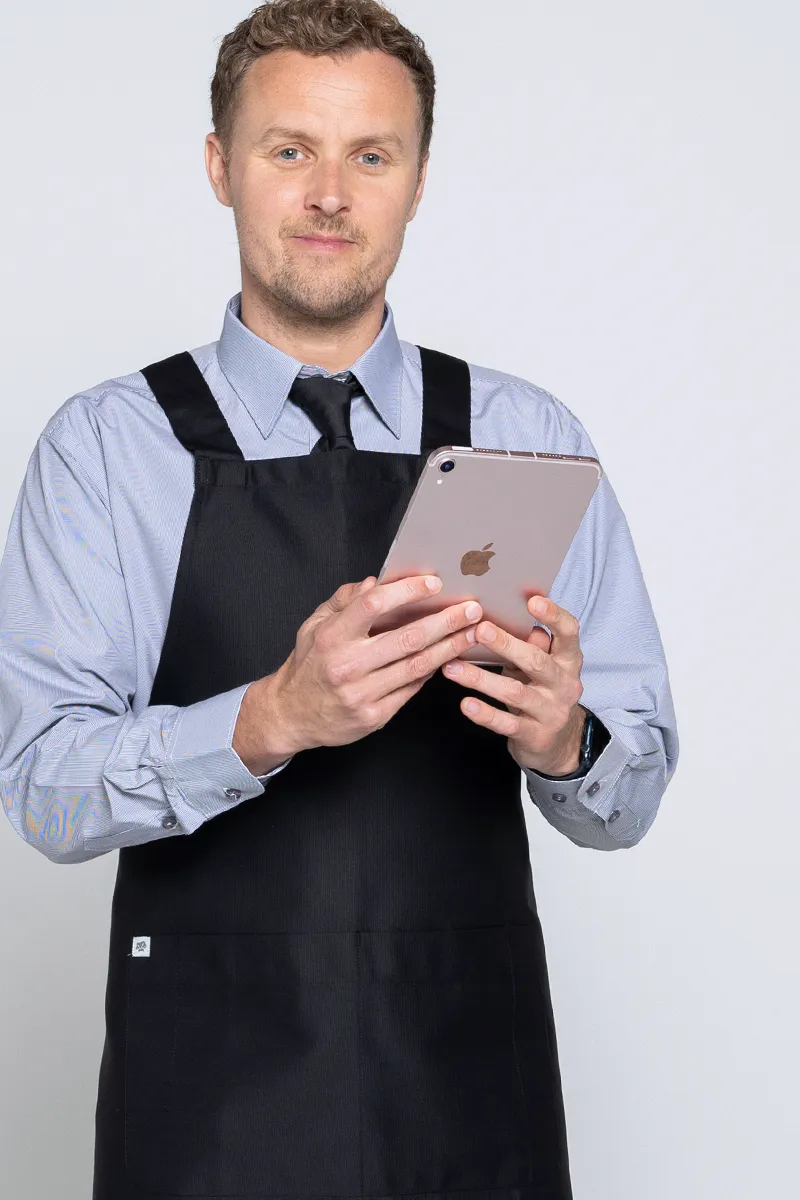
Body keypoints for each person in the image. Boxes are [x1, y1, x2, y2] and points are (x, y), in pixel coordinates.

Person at [0, 2, 679, 1198]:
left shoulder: (523, 437)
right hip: (208, 1093)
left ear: (417, 180)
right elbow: (44, 795)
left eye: (371, 154)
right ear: (220, 166)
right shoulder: (105, 450)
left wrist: (566, 742)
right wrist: (267, 719)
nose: (328, 194)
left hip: (467, 1076)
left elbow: (625, 800)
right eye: (288, 150)